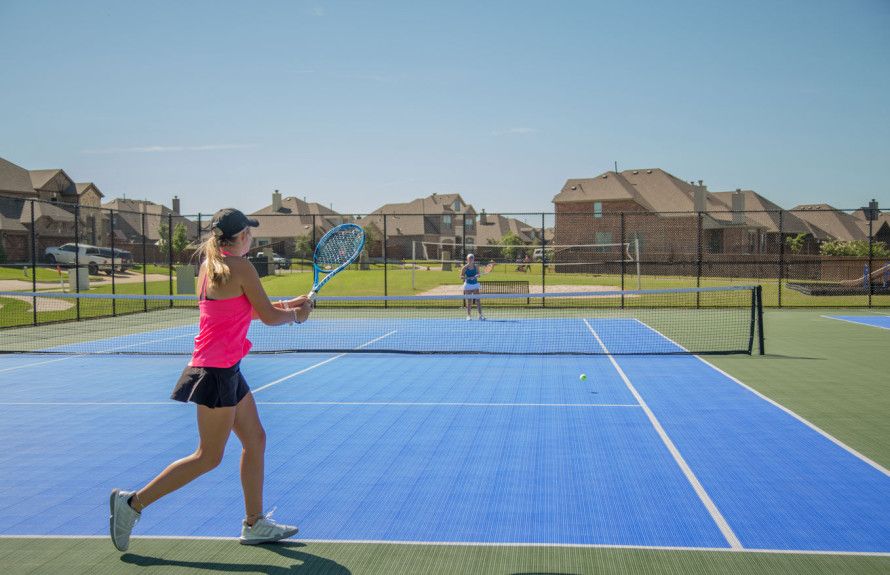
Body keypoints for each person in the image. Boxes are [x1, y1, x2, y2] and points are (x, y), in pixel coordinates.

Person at [109, 208, 313, 552]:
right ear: (242, 237)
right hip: (216, 373)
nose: (253, 237)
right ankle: (132, 504)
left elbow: (244, 307)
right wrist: (296, 315)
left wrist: (291, 304)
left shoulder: (211, 266)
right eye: (250, 232)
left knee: (256, 439)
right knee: (208, 456)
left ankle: (254, 523)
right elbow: (266, 316)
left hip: (225, 368)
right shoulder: (241, 267)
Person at [459, 253, 485, 320]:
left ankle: (480, 315)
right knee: (469, 300)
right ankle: (468, 315)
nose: (471, 259)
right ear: (467, 260)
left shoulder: (476, 267)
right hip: (468, 285)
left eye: (472, 258)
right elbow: (461, 276)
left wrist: (477, 276)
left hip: (475, 285)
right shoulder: (464, 268)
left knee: (478, 300)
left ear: (473, 259)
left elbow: (479, 275)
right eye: (469, 258)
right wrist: (467, 278)